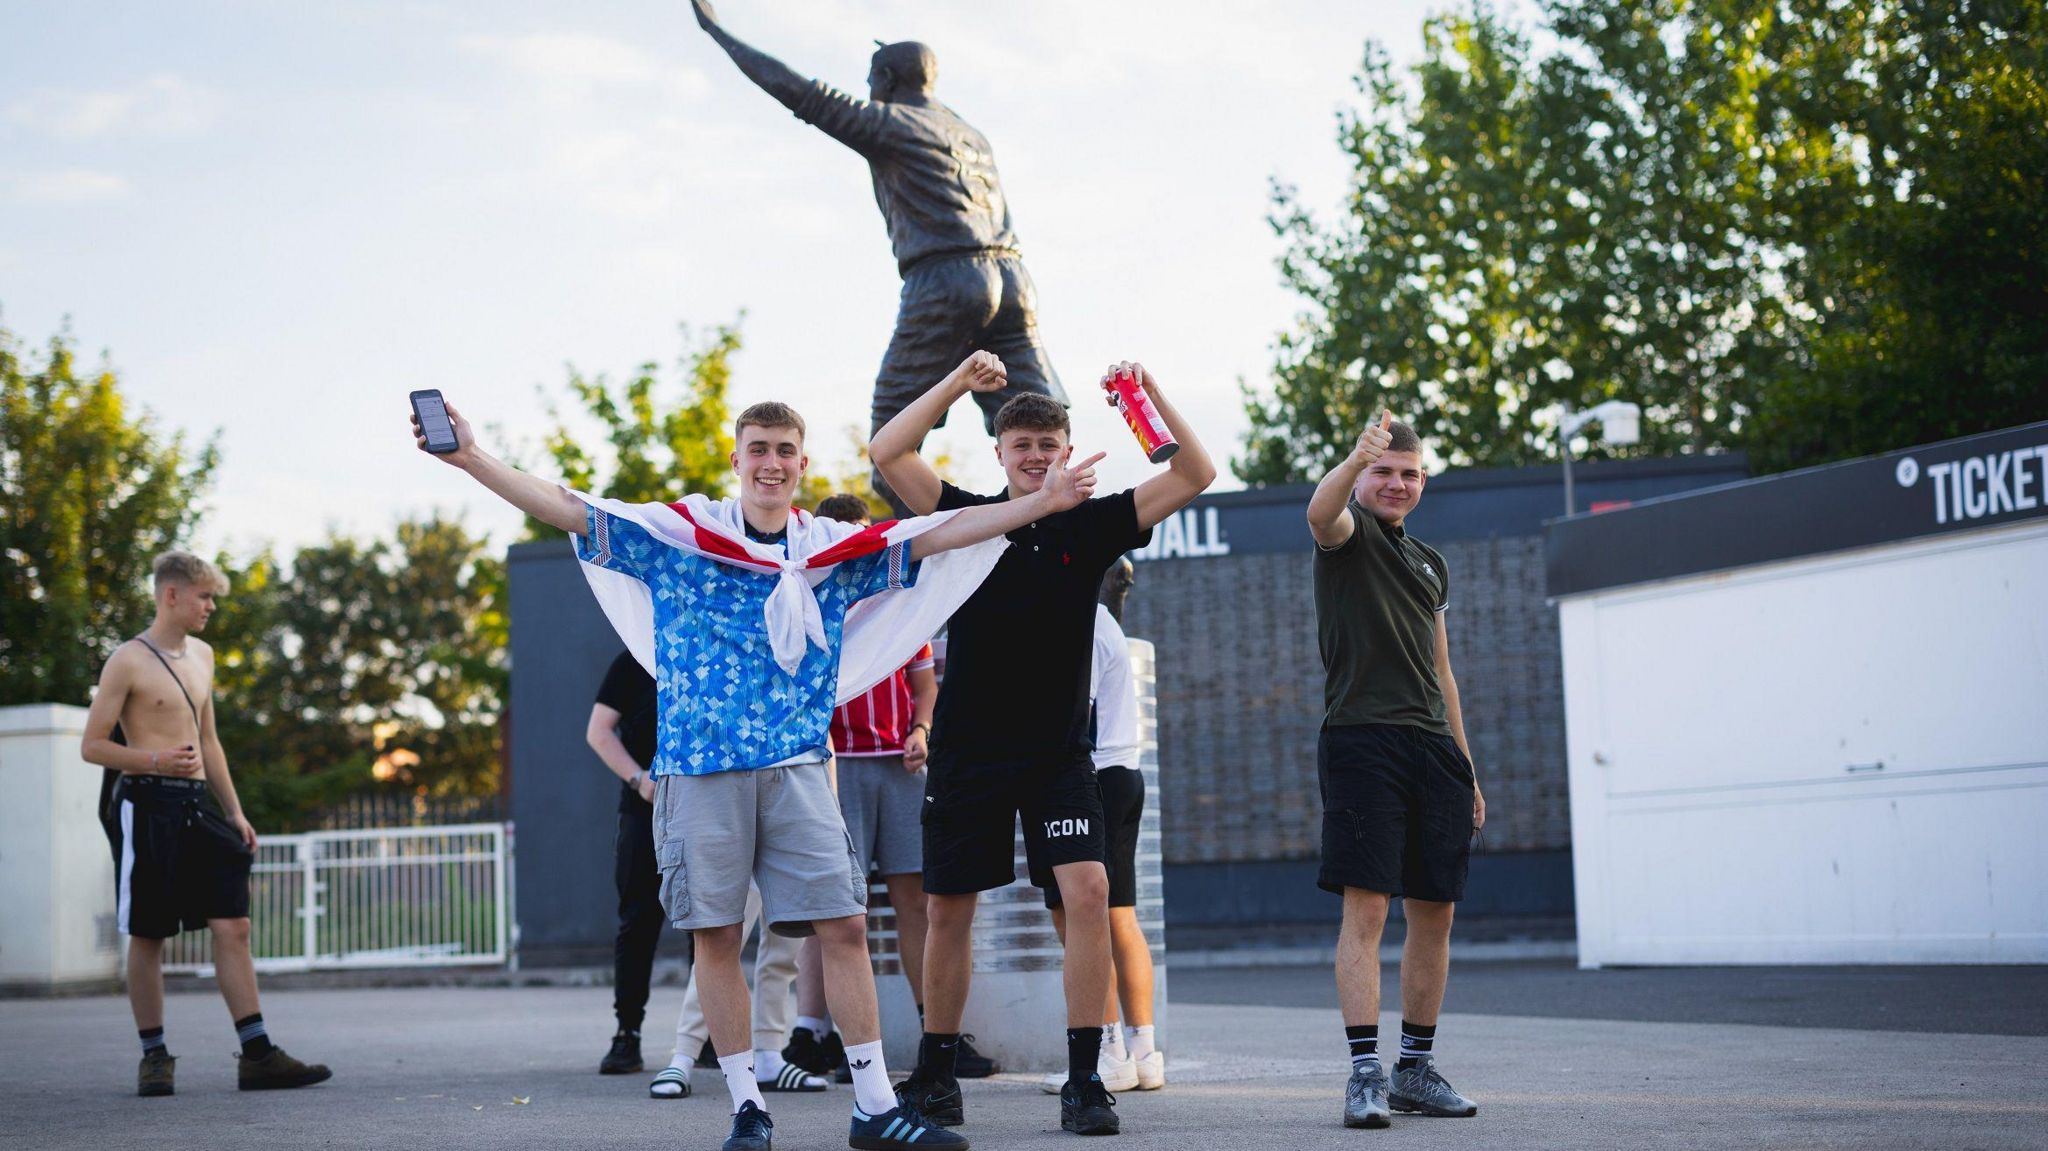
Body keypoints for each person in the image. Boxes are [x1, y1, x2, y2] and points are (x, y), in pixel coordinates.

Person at [416, 389, 1101, 1151]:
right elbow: (569, 508)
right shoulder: (680, 537)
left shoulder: (828, 553)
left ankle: (874, 1106)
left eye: (784, 451)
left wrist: (1038, 503)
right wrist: (470, 455)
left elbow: (945, 531)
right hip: (700, 769)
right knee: (716, 936)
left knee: (842, 926)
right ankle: (748, 1107)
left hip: (798, 767)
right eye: (758, 450)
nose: (771, 464)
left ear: (802, 465)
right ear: (737, 458)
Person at [871, 355, 1215, 1136]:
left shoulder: (1090, 526)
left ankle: (1086, 1077)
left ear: (1066, 451)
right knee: (950, 909)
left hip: (1060, 755)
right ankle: (935, 1072)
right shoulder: (962, 519)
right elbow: (888, 453)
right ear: (999, 451)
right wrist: (959, 383)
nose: (1034, 455)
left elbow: (1197, 470)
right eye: (1020, 442)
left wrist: (1145, 398)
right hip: (966, 753)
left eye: (1047, 443)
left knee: (1090, 892)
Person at [686, 0, 1069, 513]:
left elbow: (802, 94)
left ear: (887, 79)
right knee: (1039, 429)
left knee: (892, 450)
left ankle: (940, 563)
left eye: (872, 80)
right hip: (1015, 282)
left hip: (946, 279)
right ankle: (1093, 551)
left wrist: (718, 33)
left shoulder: (894, 123)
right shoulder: (967, 132)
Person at [79, 552, 333, 1097]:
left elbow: (209, 739)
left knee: (233, 924)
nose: (211, 606)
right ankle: (154, 1056)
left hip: (198, 805)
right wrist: (154, 761)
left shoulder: (204, 656)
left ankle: (258, 1054)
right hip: (146, 804)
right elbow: (92, 746)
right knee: (149, 934)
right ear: (171, 595)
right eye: (204, 596)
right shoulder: (126, 660)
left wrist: (235, 811)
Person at [1306, 413, 1487, 1129]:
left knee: (1435, 910)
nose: (1397, 483)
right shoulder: (1348, 536)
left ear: (1423, 481)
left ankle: (1415, 1067)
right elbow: (1320, 510)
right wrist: (1354, 460)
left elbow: (1443, 669)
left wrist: (1466, 766)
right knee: (1369, 910)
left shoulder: (1431, 562)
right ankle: (1364, 1074)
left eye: (1410, 473)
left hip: (1433, 750)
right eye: (1387, 471)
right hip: (1362, 741)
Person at [588, 652, 813, 1097]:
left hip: (711, 802)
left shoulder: (709, 651)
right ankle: (627, 1035)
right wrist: (640, 780)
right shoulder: (631, 660)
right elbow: (598, 732)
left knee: (711, 923)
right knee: (639, 921)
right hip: (645, 808)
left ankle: (717, 1040)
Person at [1039, 558, 1163, 1095]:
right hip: (1122, 775)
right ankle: (1142, 1050)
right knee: (1118, 917)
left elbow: (1070, 710)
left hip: (1092, 777)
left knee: (1078, 919)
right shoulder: (1103, 622)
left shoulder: (1081, 624)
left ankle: (1108, 1049)